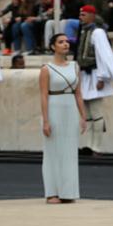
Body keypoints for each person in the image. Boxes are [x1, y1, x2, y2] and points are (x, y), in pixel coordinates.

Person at [40, 34, 86, 204]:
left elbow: (78, 93)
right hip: (54, 109)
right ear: (53, 47)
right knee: (52, 152)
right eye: (61, 42)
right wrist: (45, 120)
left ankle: (68, 191)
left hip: (71, 110)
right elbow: (43, 96)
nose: (65, 44)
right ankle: (52, 192)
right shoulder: (47, 69)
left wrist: (83, 116)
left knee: (69, 152)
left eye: (67, 41)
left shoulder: (75, 66)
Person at [77, 5, 113, 154]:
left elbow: (103, 54)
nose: (80, 17)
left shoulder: (97, 32)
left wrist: (102, 77)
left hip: (95, 74)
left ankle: (97, 146)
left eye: (83, 14)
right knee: (88, 113)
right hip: (85, 76)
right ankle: (89, 144)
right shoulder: (84, 31)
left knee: (96, 111)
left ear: (91, 15)